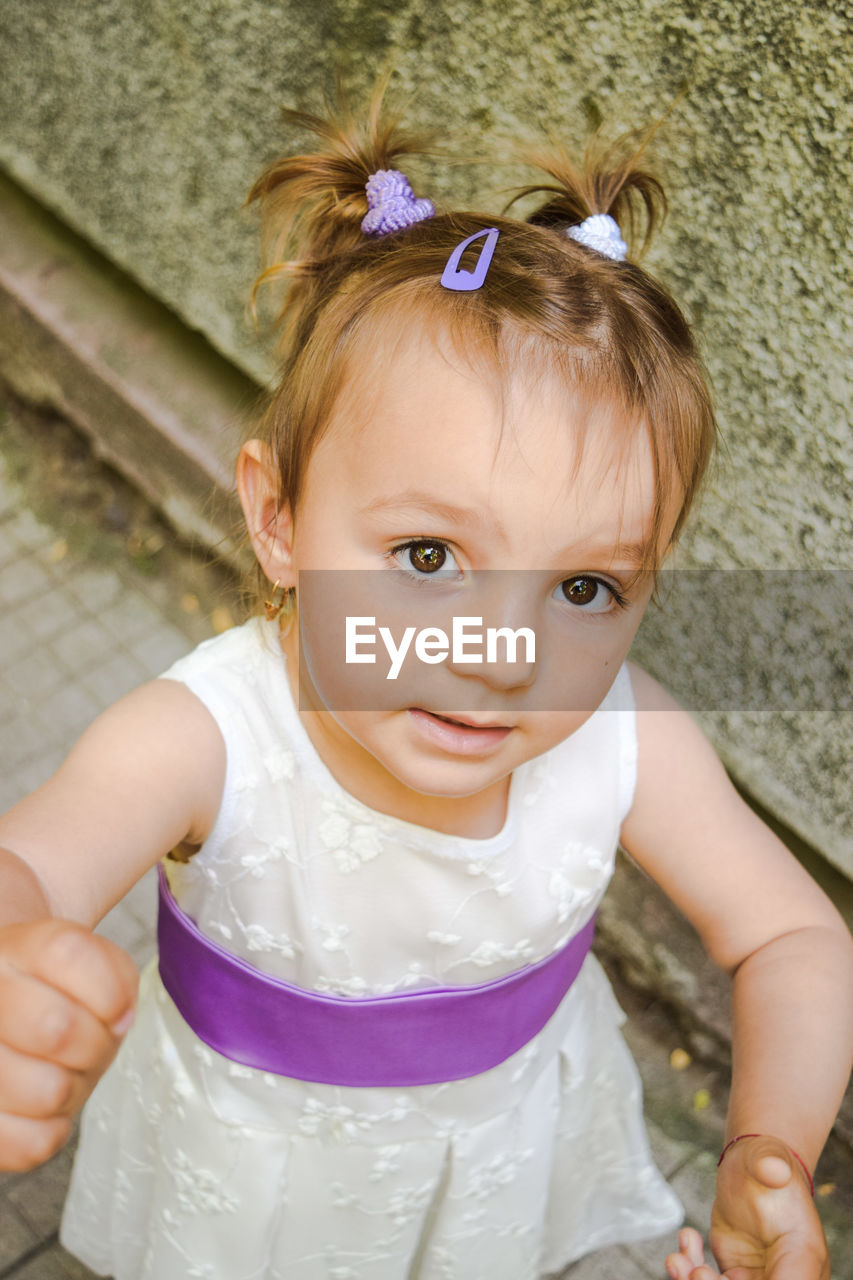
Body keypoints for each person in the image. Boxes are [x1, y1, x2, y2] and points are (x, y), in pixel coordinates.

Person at [0, 85, 850, 1280]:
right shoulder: (210, 738)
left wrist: (769, 1141)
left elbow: (793, 932)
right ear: (279, 516)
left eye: (586, 588)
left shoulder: (620, 738)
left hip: (494, 1172)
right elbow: (34, 859)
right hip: (251, 1196)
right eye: (428, 557)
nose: (501, 653)